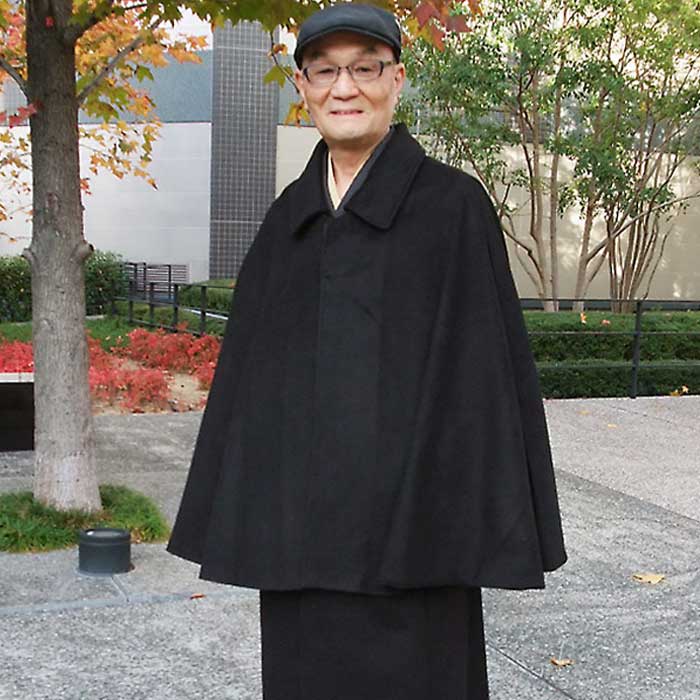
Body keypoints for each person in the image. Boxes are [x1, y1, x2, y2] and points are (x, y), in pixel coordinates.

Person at [167, 3, 567, 698]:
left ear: (396, 79)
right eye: (324, 72)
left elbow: (482, 385)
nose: (344, 88)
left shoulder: (452, 206)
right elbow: (252, 391)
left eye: (364, 69)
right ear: (302, 87)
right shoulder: (289, 219)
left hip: (416, 541)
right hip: (300, 547)